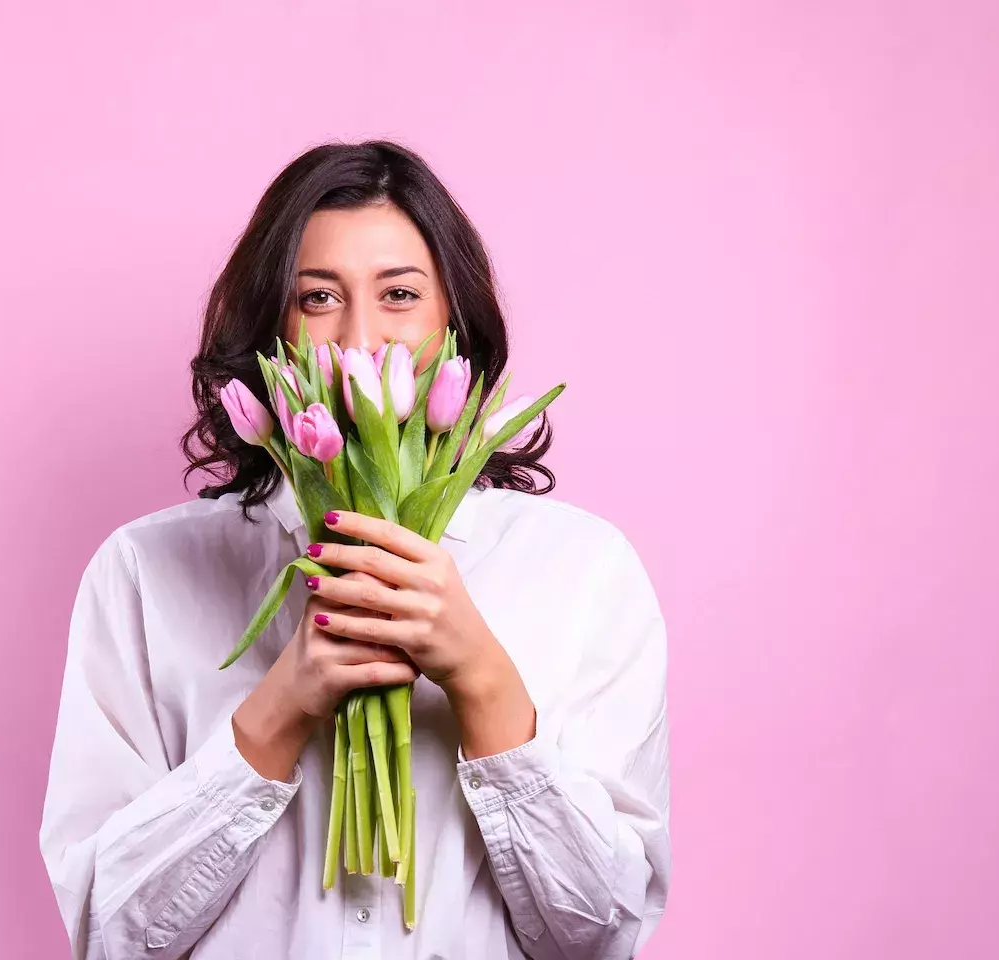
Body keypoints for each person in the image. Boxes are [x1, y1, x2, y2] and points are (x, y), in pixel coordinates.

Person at [38, 140, 670, 960]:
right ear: (274, 328)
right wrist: (279, 708)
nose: (359, 341)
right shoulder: (143, 574)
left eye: (400, 294)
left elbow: (603, 937)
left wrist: (480, 676)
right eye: (317, 298)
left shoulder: (584, 573)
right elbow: (108, 933)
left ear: (455, 325)